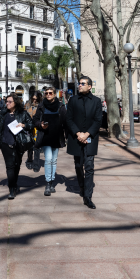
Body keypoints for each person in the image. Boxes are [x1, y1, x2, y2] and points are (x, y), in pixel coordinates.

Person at [66, 76, 102, 209]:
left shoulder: (97, 101)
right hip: (76, 138)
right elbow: (68, 119)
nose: (79, 85)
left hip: (90, 137)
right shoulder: (73, 100)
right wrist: (78, 134)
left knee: (89, 166)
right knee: (78, 165)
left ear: (89, 86)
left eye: (82, 83)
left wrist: (87, 134)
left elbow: (98, 120)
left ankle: (88, 197)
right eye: (79, 83)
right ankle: (81, 186)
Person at [0, 92, 33, 200]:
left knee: (17, 165)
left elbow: (31, 124)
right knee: (10, 166)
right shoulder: (3, 113)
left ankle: (14, 185)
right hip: (5, 143)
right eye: (6, 101)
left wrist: (23, 125)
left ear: (15, 103)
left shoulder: (23, 113)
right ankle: (12, 189)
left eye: (10, 102)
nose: (7, 103)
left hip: (19, 144)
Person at [34, 87, 67, 196]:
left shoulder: (61, 106)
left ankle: (52, 181)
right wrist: (40, 125)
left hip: (56, 137)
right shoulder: (41, 105)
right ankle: (48, 183)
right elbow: (35, 120)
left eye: (50, 93)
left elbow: (65, 122)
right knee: (48, 159)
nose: (48, 95)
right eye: (46, 93)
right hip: (45, 137)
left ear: (54, 94)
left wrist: (68, 136)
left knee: (54, 160)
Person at [25, 92, 42, 170]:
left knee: (36, 146)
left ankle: (36, 164)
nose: (34, 101)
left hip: (37, 128)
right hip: (28, 128)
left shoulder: (41, 106)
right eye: (33, 99)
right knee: (29, 145)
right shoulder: (27, 104)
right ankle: (29, 160)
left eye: (36, 99)